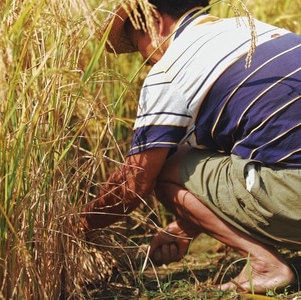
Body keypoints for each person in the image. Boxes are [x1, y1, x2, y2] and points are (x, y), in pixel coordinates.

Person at [80, 0, 301, 294]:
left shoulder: (168, 73)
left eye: (138, 44)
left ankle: (265, 265)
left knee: (166, 166)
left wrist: (74, 226)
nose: (145, 61)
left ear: (155, 21)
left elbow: (134, 186)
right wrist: (187, 227)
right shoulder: (262, 33)